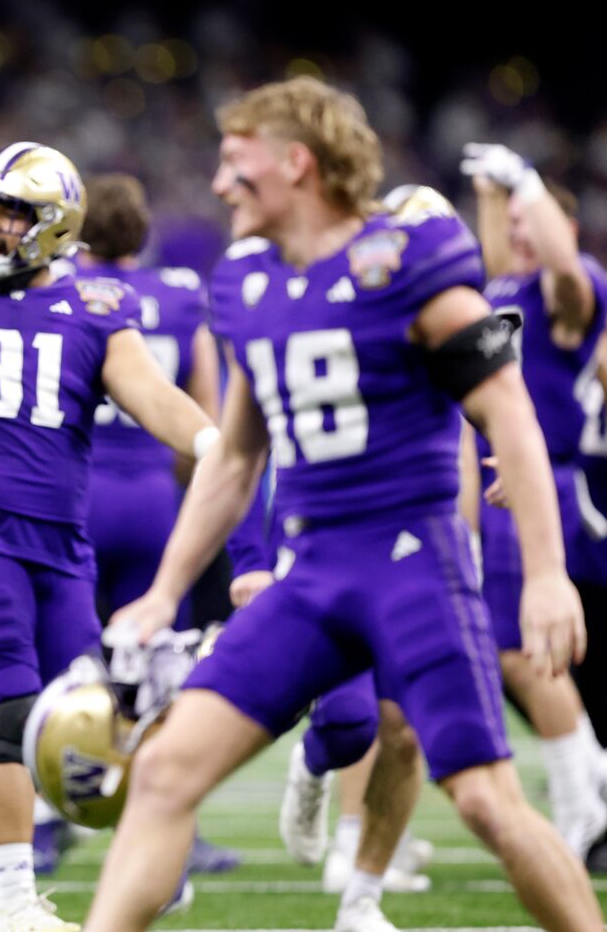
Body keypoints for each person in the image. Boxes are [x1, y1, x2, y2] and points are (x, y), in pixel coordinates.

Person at [84, 76, 602, 932]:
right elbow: (236, 454)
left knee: (484, 800)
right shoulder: (247, 280)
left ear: (296, 164)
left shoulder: (402, 258)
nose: (217, 185)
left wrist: (544, 573)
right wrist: (165, 594)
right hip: (313, 570)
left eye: (234, 164)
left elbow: (506, 405)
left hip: (414, 565)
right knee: (169, 769)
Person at [0, 143, 216, 931]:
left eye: (9, 213)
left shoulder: (95, 307)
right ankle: (15, 903)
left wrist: (214, 446)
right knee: (8, 710)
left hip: (61, 540)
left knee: (87, 720)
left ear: (54, 226)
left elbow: (151, 392)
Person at [75, 173, 239, 876]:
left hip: (76, 497)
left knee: (72, 667)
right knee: (155, 664)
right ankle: (176, 827)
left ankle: (49, 819)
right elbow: (204, 409)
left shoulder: (64, 293)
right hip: (151, 500)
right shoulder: (177, 296)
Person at [461, 143, 607, 861]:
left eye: (529, 223)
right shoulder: (502, 290)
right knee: (507, 649)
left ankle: (586, 798)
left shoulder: (569, 288)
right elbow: (501, 260)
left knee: (525, 652)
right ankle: (587, 788)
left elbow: (553, 258)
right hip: (502, 484)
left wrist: (522, 181)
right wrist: (490, 190)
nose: (515, 234)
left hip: (541, 484)